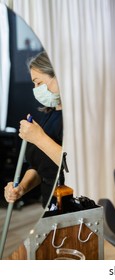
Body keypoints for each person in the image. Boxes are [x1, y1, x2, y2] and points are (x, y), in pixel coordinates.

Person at [3, 51, 63, 208]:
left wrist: (39, 138)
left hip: (69, 201)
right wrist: (21, 187)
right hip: (50, 201)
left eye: (38, 83)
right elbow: (40, 166)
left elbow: (70, 164)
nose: (35, 89)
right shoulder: (49, 115)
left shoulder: (75, 120)